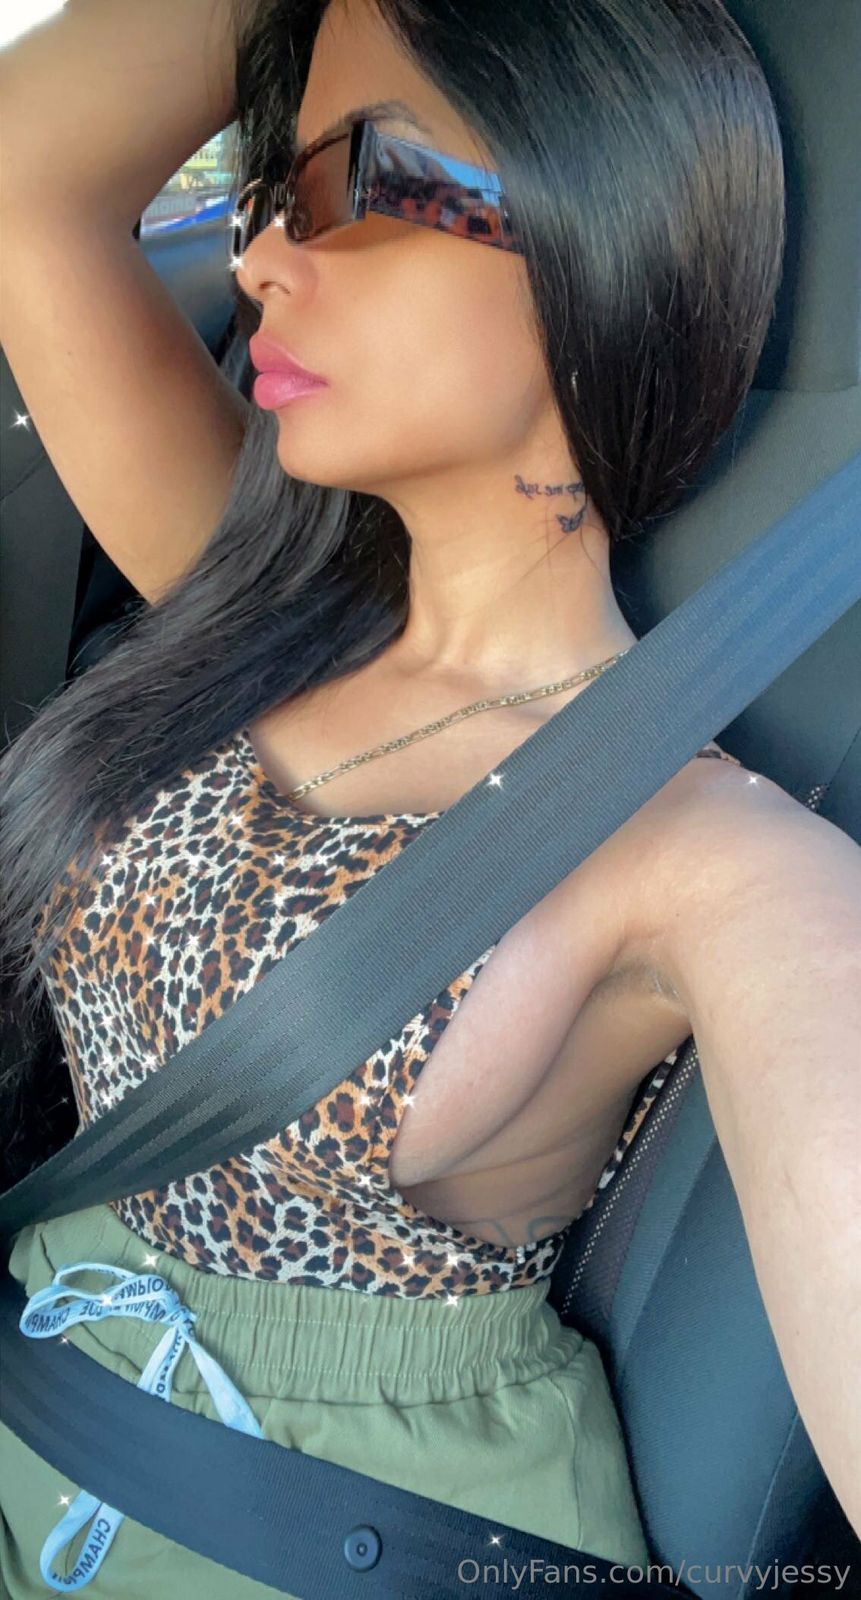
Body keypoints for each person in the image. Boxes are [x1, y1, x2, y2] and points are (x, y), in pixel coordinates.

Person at [1, 1, 860, 1594]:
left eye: (357, 182)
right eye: (274, 192)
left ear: (605, 230)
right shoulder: (246, 606)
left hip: (322, 1531)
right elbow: (23, 166)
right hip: (44, 1377)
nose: (261, 257)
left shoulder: (701, 853)